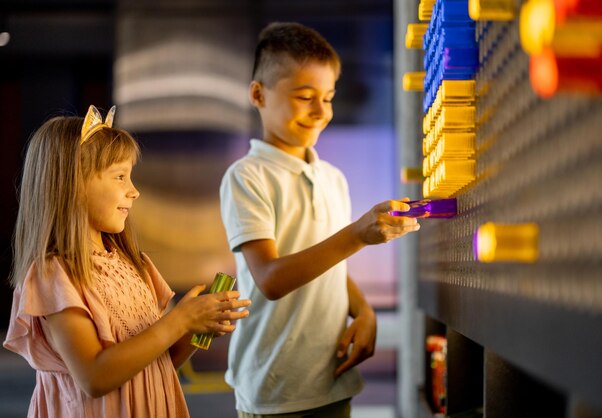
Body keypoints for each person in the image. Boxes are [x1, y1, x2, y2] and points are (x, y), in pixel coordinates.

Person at [220, 22, 420, 417]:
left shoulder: (332, 178)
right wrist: (358, 235)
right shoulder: (247, 177)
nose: (320, 111)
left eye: (328, 97)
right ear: (258, 94)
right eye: (305, 96)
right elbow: (272, 280)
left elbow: (328, 265)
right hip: (275, 392)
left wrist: (363, 311)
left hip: (331, 381)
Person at [2, 105, 251, 418]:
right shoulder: (55, 274)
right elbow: (95, 376)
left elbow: (159, 360)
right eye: (120, 177)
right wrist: (179, 321)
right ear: (72, 183)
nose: (133, 191)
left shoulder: (135, 264)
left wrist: (195, 330)